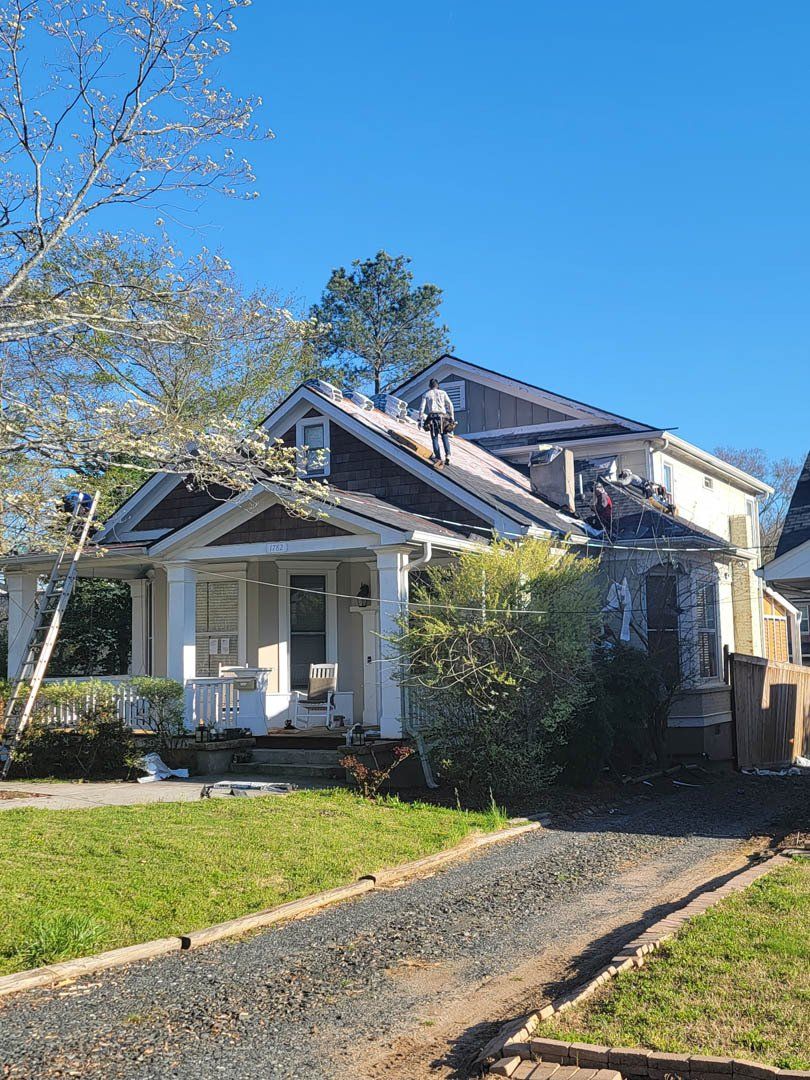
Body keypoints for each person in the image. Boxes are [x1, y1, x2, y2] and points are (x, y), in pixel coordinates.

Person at [418, 378, 455, 465]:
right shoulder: (443, 393)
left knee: (434, 438)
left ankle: (438, 457)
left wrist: (420, 420)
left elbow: (421, 408)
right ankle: (448, 455)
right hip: (443, 417)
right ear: (437, 385)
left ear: (429, 386)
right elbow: (450, 404)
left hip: (432, 417)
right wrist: (452, 417)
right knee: (444, 436)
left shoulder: (426, 394)